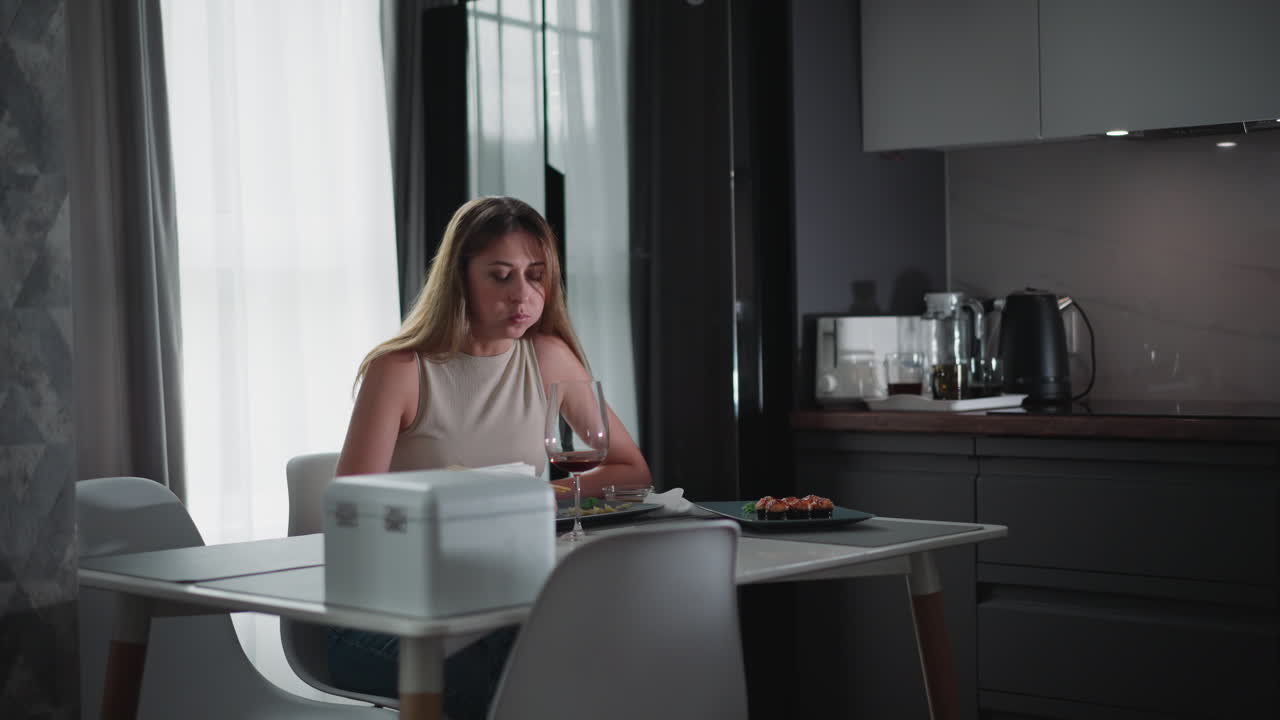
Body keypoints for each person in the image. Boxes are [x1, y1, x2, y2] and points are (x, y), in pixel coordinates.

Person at [327, 196, 651, 719]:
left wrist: (537, 499)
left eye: (535, 275)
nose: (523, 295)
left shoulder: (547, 357)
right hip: (389, 617)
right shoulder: (401, 369)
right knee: (530, 669)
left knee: (604, 648)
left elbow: (631, 468)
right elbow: (348, 514)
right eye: (501, 276)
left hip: (502, 603)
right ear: (460, 277)